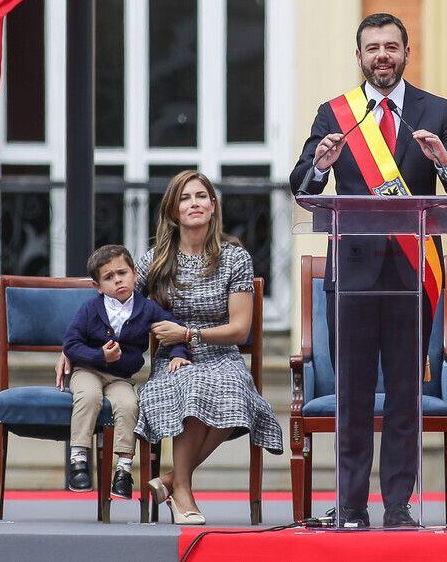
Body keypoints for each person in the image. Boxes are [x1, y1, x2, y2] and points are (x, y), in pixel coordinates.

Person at [289, 12, 447, 528]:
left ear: (406, 54)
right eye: (372, 48)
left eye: (391, 47)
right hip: (351, 274)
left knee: (404, 391)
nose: (382, 56)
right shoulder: (335, 114)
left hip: (413, 273)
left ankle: (397, 504)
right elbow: (300, 184)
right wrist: (322, 165)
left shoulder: (436, 111)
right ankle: (350, 505)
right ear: (359, 56)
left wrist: (442, 162)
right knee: (350, 393)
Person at [59, 171, 282, 525]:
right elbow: (112, 303)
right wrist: (70, 349)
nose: (193, 203)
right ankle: (182, 492)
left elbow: (240, 330)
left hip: (222, 353)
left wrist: (188, 334)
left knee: (237, 390)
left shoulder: (234, 257)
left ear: (212, 205)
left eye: (201, 196)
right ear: (173, 211)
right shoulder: (155, 260)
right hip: (174, 361)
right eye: (184, 198)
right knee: (192, 386)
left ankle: (174, 482)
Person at [63, 244, 190, 499]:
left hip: (120, 378)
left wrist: (178, 354)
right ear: (98, 286)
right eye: (108, 277)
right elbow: (71, 345)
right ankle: (79, 460)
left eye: (122, 273)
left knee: (130, 404)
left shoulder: (147, 308)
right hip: (88, 371)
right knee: (89, 397)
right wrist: (100, 355)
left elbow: (176, 329)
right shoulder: (90, 310)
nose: (117, 280)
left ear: (134, 273)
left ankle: (123, 470)